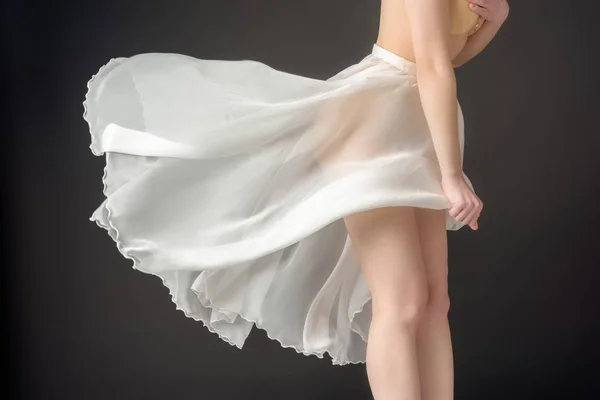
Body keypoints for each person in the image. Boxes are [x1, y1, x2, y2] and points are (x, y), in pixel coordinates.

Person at [83, 0, 509, 398]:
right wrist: (452, 177)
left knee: (433, 303)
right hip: (372, 123)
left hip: (417, 127)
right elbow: (432, 65)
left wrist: (496, 19)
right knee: (402, 301)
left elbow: (445, 58)